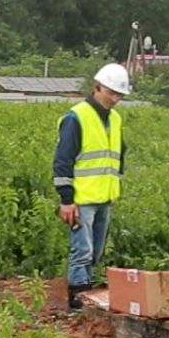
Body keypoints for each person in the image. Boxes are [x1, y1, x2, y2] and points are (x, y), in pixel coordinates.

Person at [53, 63, 131, 309]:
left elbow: (119, 153)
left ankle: (84, 296)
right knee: (82, 252)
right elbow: (63, 161)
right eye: (111, 92)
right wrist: (66, 200)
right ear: (97, 87)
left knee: (95, 253)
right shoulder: (76, 117)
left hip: (104, 197)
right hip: (81, 199)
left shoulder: (115, 119)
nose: (115, 98)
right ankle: (77, 304)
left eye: (120, 94)